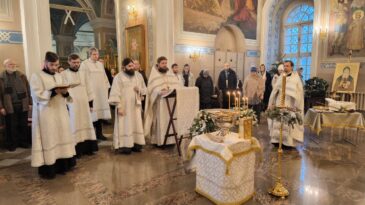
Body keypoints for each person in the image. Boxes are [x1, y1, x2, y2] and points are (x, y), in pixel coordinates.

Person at [30, 52, 76, 179]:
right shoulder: (37, 76)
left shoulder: (59, 75)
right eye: (52, 65)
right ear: (45, 63)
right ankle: (50, 168)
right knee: (50, 137)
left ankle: (63, 165)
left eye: (56, 65)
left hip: (60, 110)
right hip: (47, 113)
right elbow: (36, 95)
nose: (54, 67)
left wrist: (65, 92)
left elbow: (65, 93)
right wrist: (54, 91)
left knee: (62, 135)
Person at [62, 54, 98, 158]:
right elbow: (63, 90)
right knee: (75, 124)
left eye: (78, 62)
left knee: (86, 122)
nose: (76, 64)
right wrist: (67, 104)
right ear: (69, 62)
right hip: (72, 104)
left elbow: (89, 89)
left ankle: (88, 148)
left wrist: (91, 104)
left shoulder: (84, 73)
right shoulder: (64, 74)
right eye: (74, 62)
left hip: (84, 103)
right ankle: (77, 150)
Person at [109, 58, 146, 154]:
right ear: (123, 67)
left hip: (135, 106)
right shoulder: (118, 77)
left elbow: (144, 90)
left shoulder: (138, 76)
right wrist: (119, 107)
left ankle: (136, 144)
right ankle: (125, 146)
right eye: (129, 66)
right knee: (125, 125)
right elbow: (115, 92)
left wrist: (140, 90)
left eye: (132, 65)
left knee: (136, 123)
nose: (132, 67)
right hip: (124, 106)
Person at [144, 56, 182, 146]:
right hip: (160, 103)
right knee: (161, 121)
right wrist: (159, 91)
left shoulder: (170, 73)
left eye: (166, 63)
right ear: (158, 64)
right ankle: (159, 141)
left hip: (170, 102)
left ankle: (170, 140)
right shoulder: (154, 75)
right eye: (163, 63)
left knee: (170, 120)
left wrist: (173, 89)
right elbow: (150, 90)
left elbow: (177, 85)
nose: (165, 65)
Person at [268, 60, 304, 147]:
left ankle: (287, 143)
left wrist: (296, 104)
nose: (285, 67)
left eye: (287, 66)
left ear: (292, 67)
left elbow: (299, 92)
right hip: (279, 101)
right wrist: (271, 102)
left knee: (287, 121)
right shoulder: (281, 76)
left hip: (289, 103)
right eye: (284, 66)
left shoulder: (296, 78)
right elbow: (275, 90)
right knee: (277, 120)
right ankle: (276, 140)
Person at [80, 47, 111, 141]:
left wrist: (106, 88)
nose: (96, 56)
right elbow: (83, 79)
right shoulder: (84, 64)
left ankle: (99, 134)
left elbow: (105, 78)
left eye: (97, 54)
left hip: (101, 93)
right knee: (92, 115)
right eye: (94, 54)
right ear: (89, 54)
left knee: (100, 116)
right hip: (92, 93)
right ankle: (92, 136)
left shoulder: (100, 64)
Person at [0, 59, 32, 151]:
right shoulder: (1, 78)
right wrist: (1, 107)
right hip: (8, 106)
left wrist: (30, 103)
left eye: (14, 64)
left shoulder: (22, 76)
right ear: (5, 66)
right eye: (10, 64)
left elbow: (28, 89)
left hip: (23, 104)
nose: (13, 66)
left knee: (23, 125)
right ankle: (12, 144)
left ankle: (23, 142)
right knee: (11, 126)